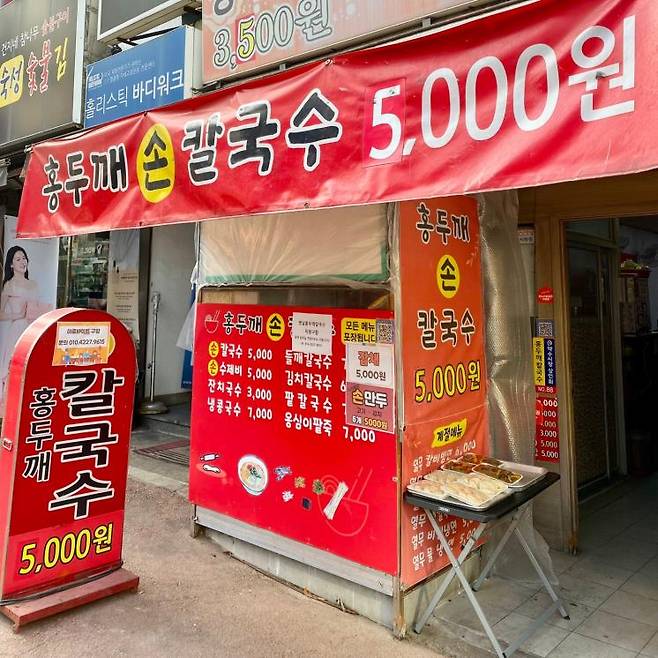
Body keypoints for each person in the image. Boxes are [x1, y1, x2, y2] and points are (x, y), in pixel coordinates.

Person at [0, 246, 39, 408]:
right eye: (18, 259)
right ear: (11, 264)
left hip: (33, 329)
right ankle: (9, 405)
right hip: (16, 330)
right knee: (13, 366)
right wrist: (18, 315)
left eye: (24, 258)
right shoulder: (9, 285)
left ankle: (26, 401)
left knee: (30, 365)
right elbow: (1, 314)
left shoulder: (33, 284)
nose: (23, 261)